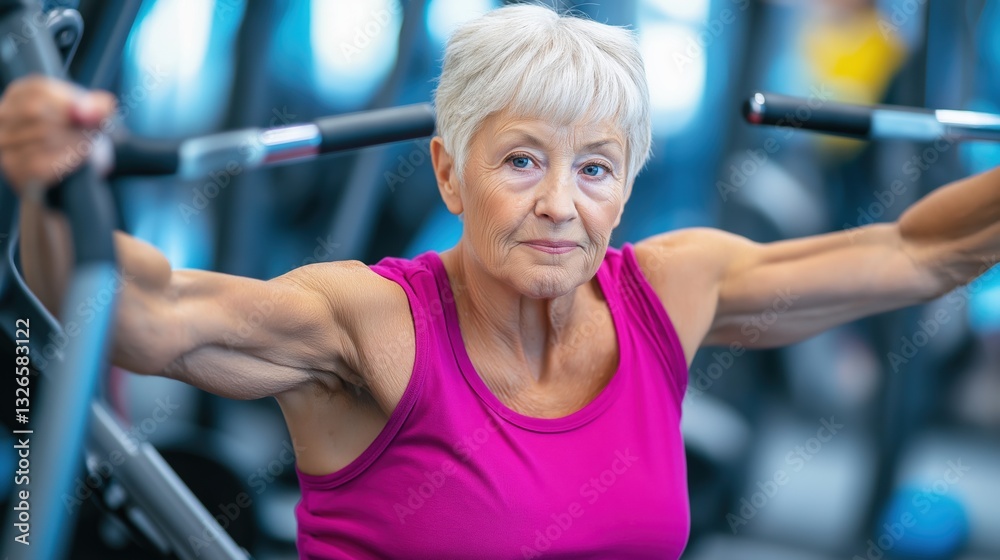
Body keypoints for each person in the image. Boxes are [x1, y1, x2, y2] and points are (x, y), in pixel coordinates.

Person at [1, 4, 997, 559]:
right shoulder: (372, 321)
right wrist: (48, 188)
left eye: (595, 168)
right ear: (448, 172)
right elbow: (134, 309)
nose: (561, 203)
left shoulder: (671, 288)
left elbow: (918, 251)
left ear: (625, 187)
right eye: (522, 160)